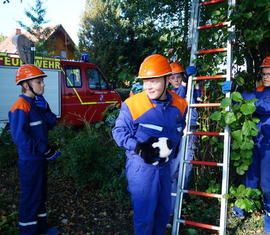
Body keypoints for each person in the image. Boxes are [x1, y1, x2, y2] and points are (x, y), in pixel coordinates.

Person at [112, 54, 187, 234]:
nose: (148, 86)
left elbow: (180, 128)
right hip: (142, 169)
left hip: (165, 168)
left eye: (153, 81)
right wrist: (139, 147)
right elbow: (118, 132)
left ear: (167, 79)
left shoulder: (180, 105)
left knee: (162, 214)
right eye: (146, 81)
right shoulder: (133, 104)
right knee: (145, 219)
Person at [8, 64, 61, 235]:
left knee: (40, 194)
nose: (43, 85)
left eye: (42, 82)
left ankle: (41, 228)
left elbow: (52, 122)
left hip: (39, 159)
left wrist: (45, 108)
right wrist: (44, 150)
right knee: (31, 197)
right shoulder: (20, 106)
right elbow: (20, 137)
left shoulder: (37, 103)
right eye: (39, 82)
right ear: (26, 85)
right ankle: (28, 231)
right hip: (30, 160)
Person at [233, 56, 270, 234]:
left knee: (267, 184)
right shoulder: (259, 91)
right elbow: (242, 100)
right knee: (250, 178)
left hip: (268, 147)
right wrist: (232, 92)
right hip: (255, 142)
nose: (266, 76)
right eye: (264, 73)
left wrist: (251, 103)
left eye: (269, 74)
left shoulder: (261, 96)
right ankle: (240, 209)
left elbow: (262, 106)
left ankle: (269, 220)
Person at [168, 62, 200, 220]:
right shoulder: (169, 95)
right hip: (175, 134)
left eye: (179, 76)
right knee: (172, 172)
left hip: (190, 131)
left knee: (185, 170)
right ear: (168, 79)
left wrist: (193, 80)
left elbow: (198, 97)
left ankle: (179, 202)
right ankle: (171, 210)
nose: (176, 79)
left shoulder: (190, 89)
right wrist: (187, 82)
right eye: (172, 77)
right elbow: (178, 98)